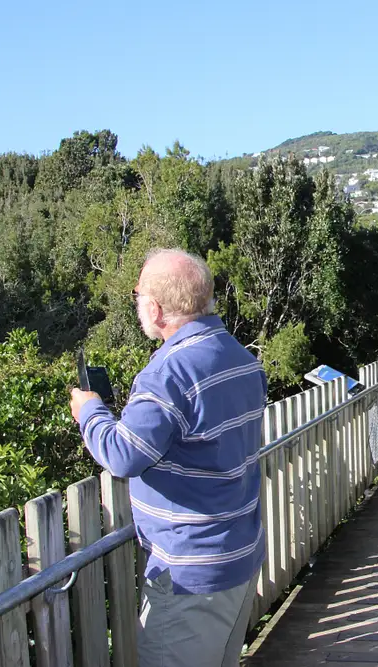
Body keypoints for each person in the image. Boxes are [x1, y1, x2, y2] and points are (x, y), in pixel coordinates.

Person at [69, 248, 266, 667]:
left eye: (137, 295)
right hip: (239, 556)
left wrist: (89, 410)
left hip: (190, 576)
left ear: (155, 309)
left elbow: (123, 455)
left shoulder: (166, 373)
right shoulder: (240, 357)